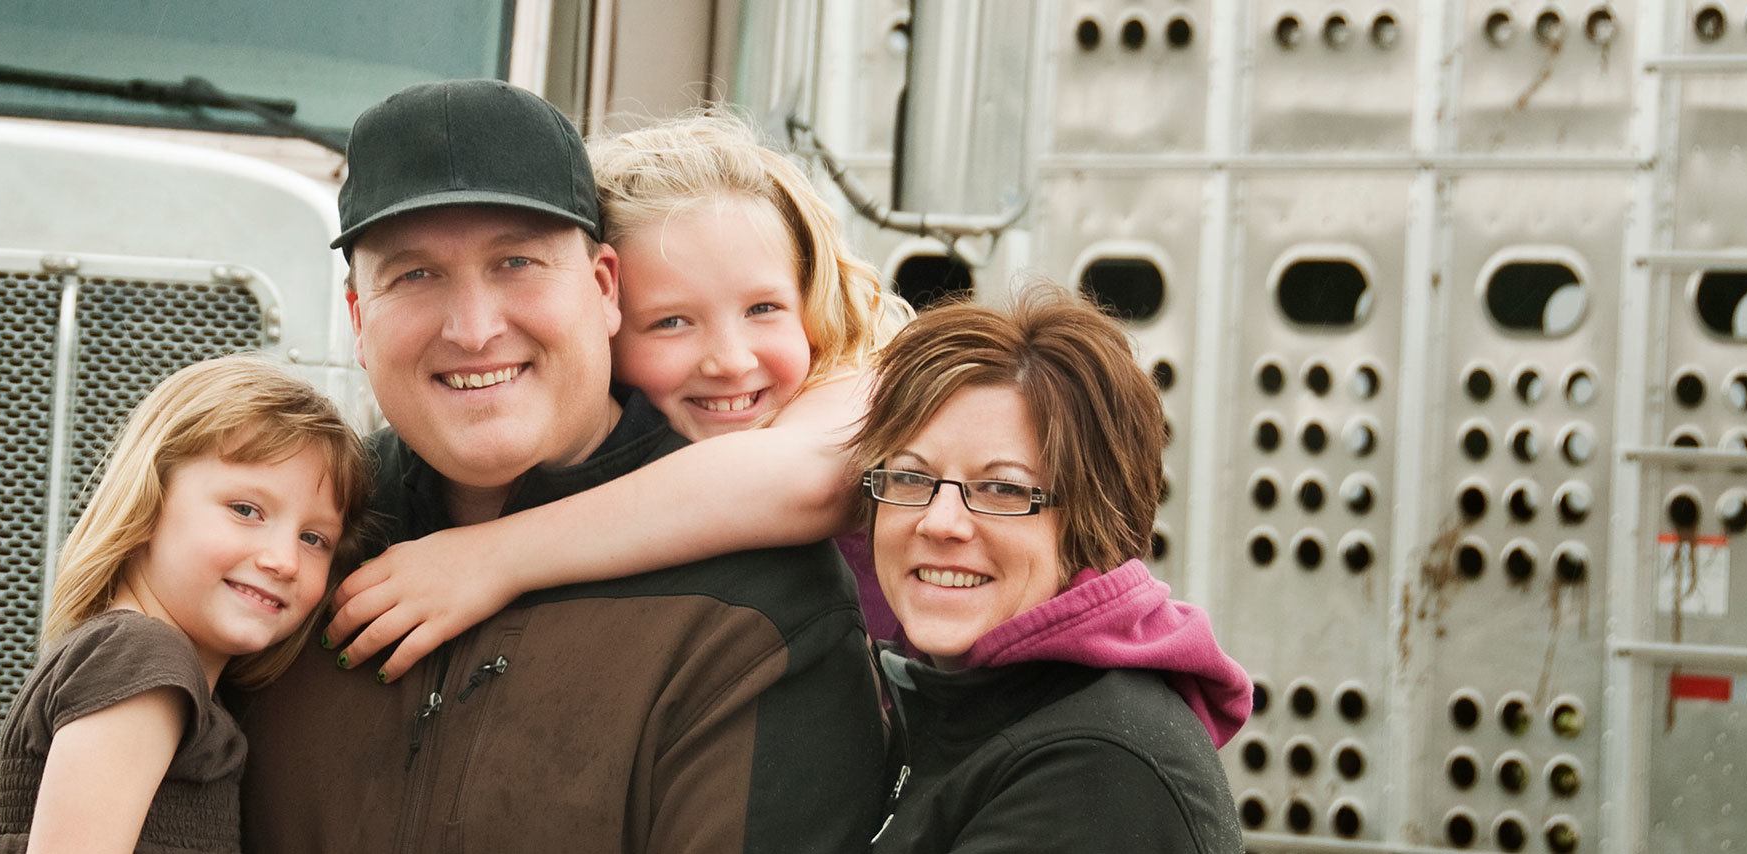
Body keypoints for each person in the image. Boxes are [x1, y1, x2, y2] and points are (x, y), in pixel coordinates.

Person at [236, 80, 887, 853]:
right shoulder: (282, 542)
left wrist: (496, 556)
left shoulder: (762, 602)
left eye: (517, 263)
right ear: (356, 321)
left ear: (604, 288)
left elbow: (818, 464)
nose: (474, 330)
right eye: (415, 274)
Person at [322, 111, 914, 682]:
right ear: (603, 312)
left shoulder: (856, 390)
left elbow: (808, 478)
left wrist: (489, 558)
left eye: (764, 309)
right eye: (671, 322)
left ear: (812, 303)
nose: (731, 360)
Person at [850, 290, 1248, 853]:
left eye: (1003, 488)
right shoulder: (961, 705)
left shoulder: (1096, 770)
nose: (940, 522)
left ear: (1094, 525)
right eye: (910, 477)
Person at [0, 355, 369, 854]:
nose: (284, 560)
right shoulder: (141, 659)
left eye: (314, 538)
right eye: (246, 510)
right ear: (150, 499)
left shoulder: (158, 669)